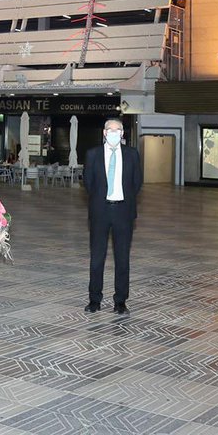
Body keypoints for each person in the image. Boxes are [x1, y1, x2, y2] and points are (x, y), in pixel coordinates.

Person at [83, 118, 142, 315]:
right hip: (100, 211)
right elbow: (89, 183)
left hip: (123, 212)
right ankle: (94, 300)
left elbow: (137, 183)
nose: (114, 133)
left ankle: (120, 301)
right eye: (110, 129)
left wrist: (123, 200)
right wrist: (102, 199)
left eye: (118, 130)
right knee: (97, 258)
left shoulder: (132, 154)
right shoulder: (93, 154)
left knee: (122, 259)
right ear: (104, 133)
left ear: (123, 133)